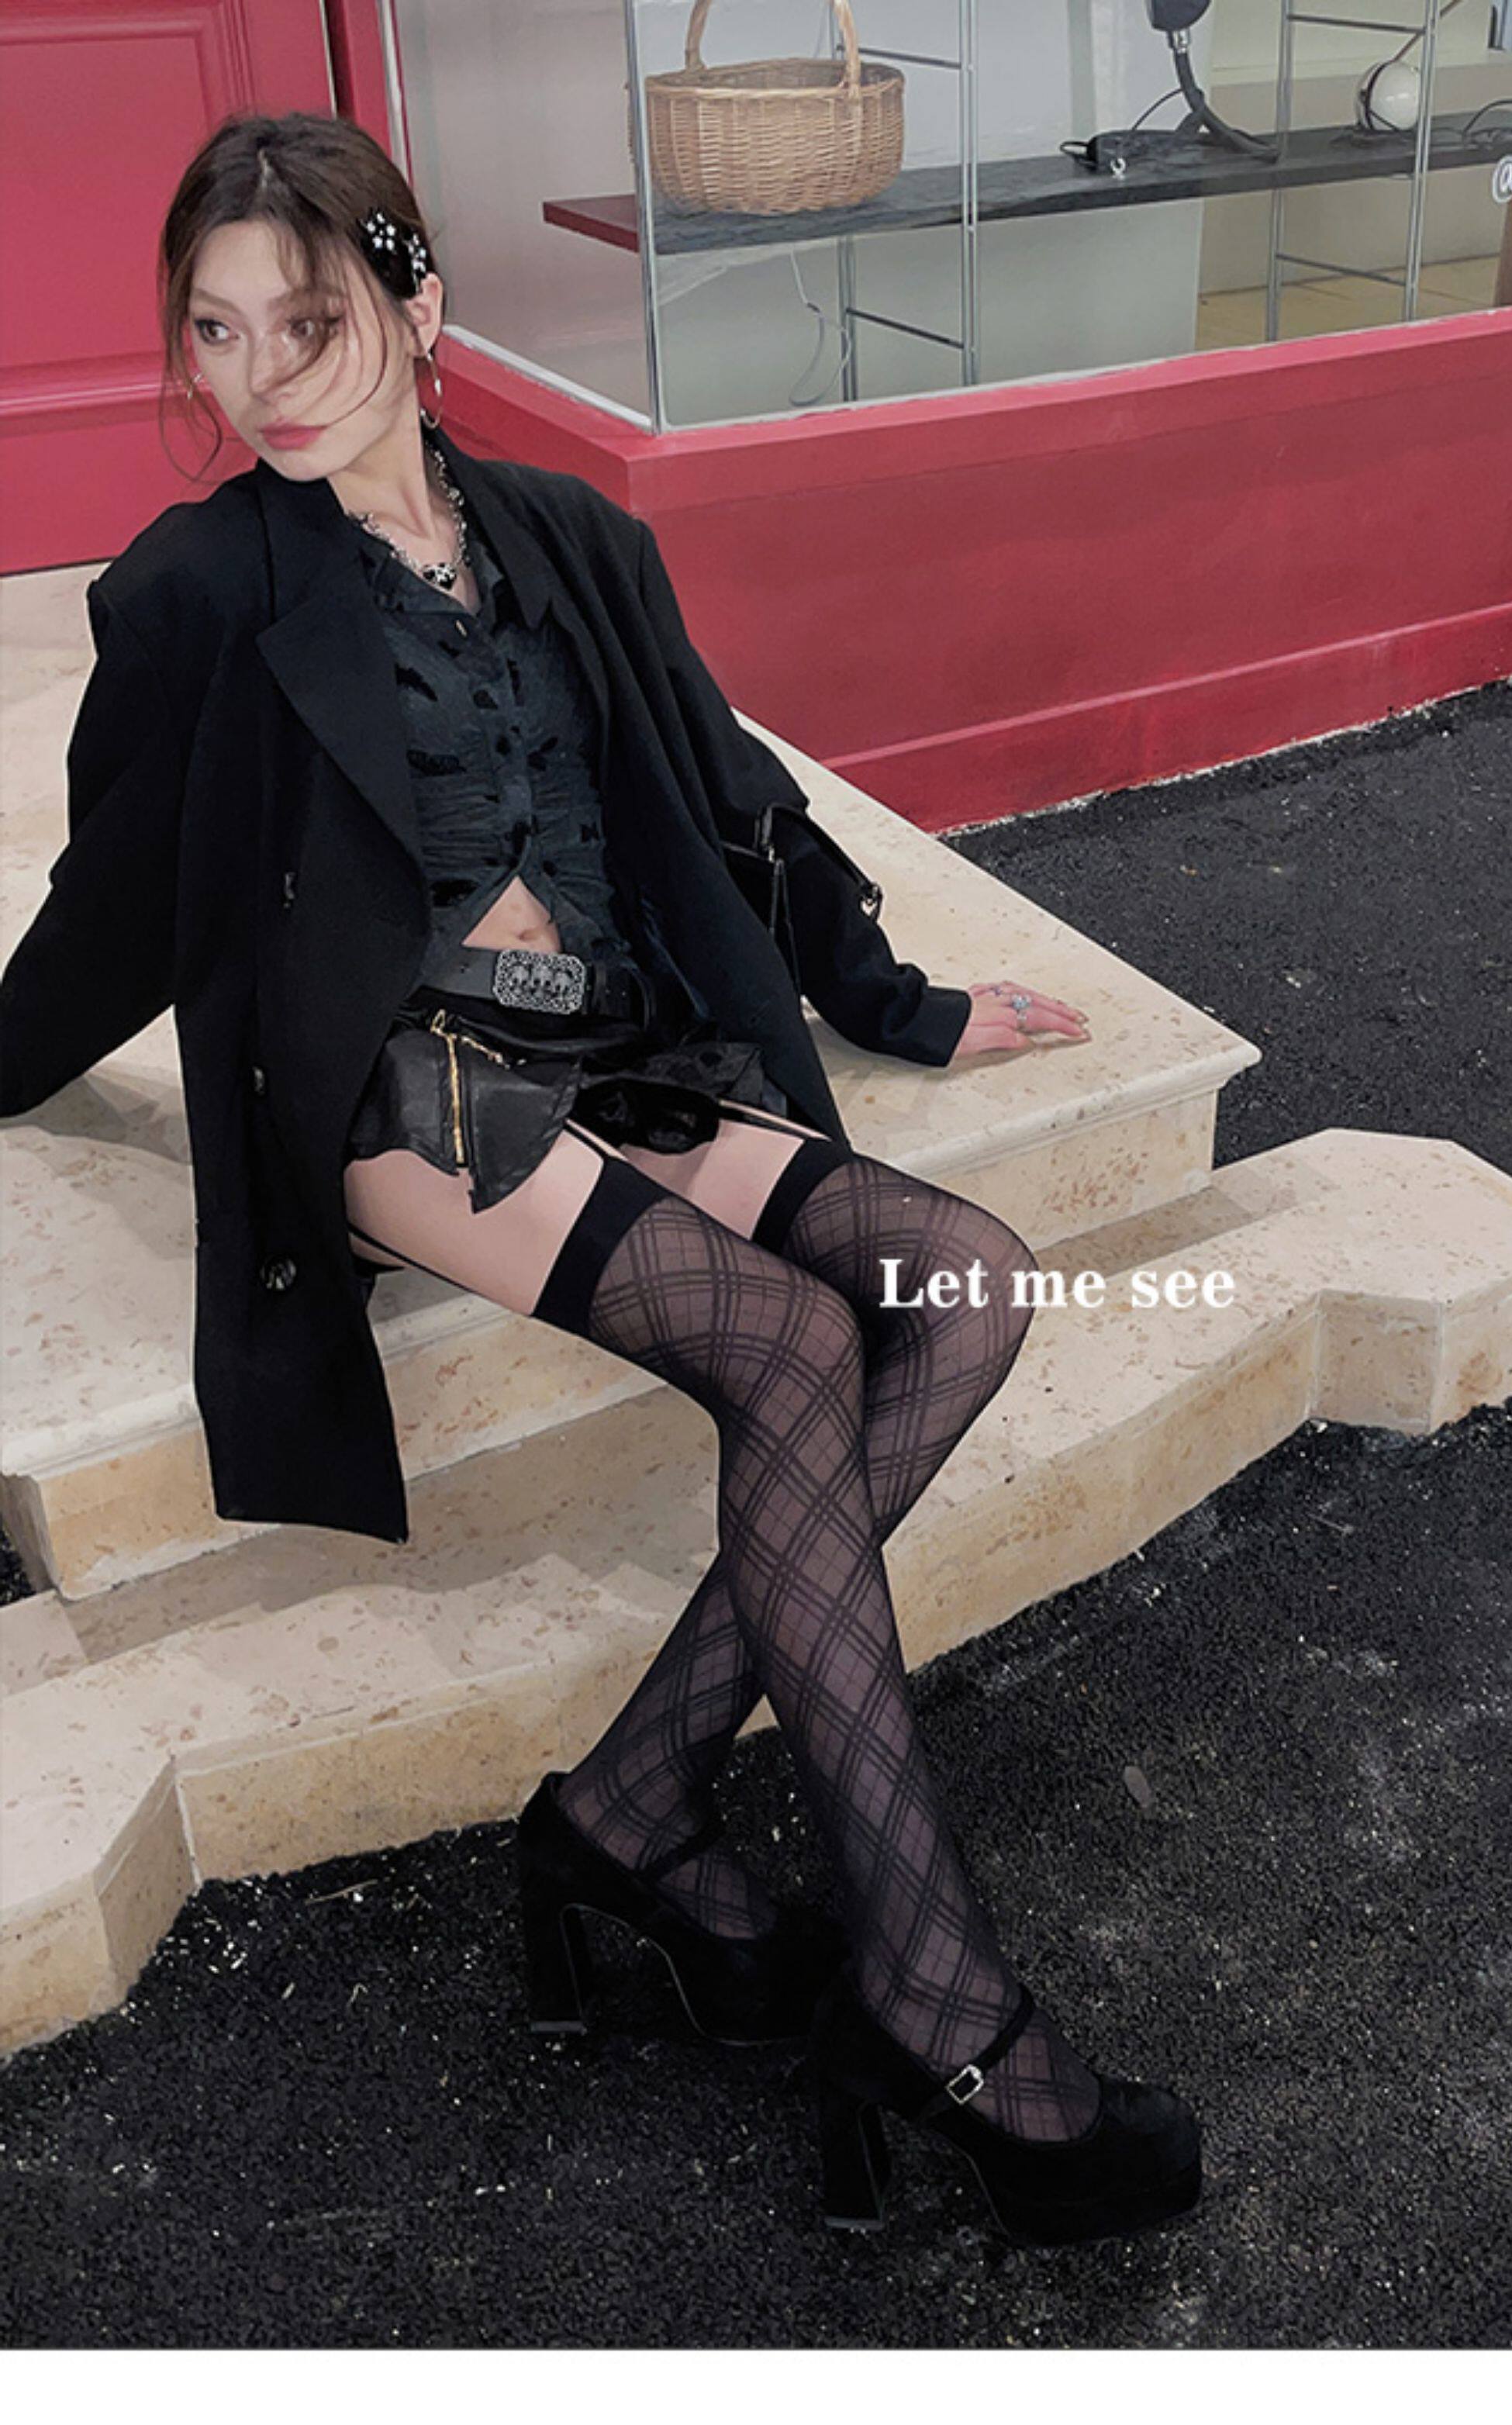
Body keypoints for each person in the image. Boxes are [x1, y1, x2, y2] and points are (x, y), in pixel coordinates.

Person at [1, 112, 1201, 2249]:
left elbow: (731, 791)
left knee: (965, 1285)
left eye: (311, 320)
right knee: (785, 1346)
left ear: (420, 308)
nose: (262, 375)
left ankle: (629, 1808)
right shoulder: (196, 591)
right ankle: (938, 2011)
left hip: (625, 1049)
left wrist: (903, 1001)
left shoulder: (567, 534)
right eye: (218, 330)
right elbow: (111, 901)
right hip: (404, 1088)